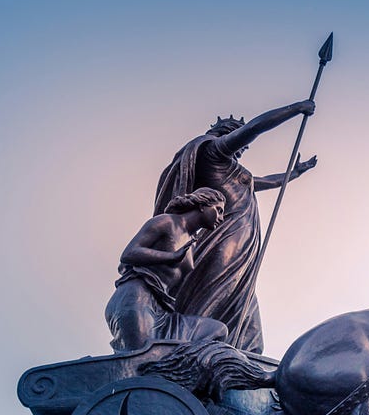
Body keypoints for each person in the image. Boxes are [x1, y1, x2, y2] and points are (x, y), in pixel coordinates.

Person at [153, 100, 318, 354]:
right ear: (226, 134)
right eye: (240, 142)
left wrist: (294, 173)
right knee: (212, 294)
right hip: (224, 239)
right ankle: (188, 352)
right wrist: (296, 108)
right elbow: (254, 128)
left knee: (242, 301)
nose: (242, 150)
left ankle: (240, 355)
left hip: (244, 245)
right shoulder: (212, 152)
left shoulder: (234, 170)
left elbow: (264, 182)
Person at [105, 188, 229, 352]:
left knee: (217, 330)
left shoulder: (192, 244)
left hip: (164, 312)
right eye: (218, 210)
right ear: (202, 204)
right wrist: (170, 257)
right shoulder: (167, 222)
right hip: (137, 299)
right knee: (141, 358)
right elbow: (128, 254)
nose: (221, 218)